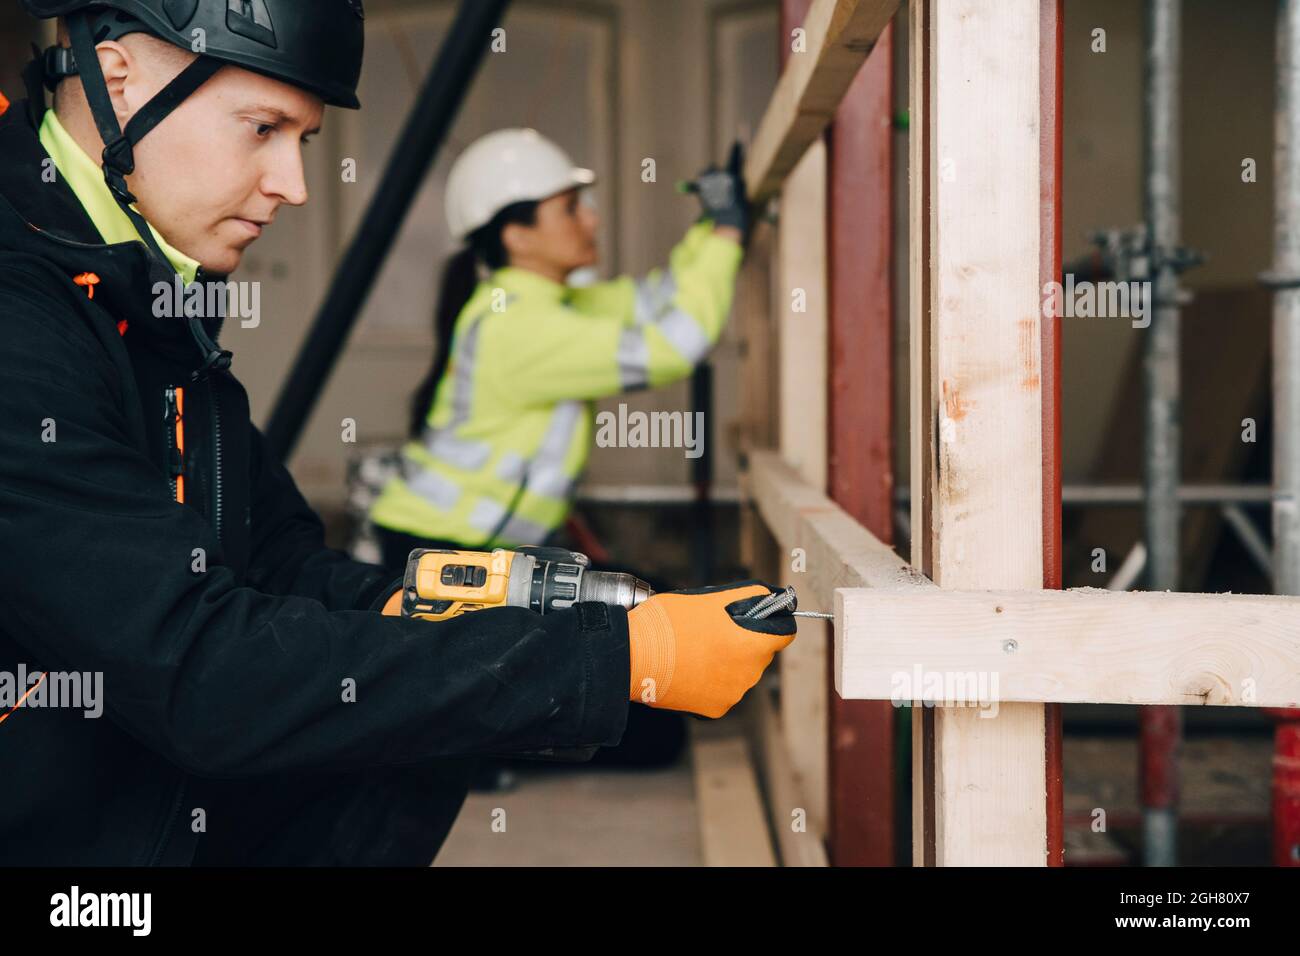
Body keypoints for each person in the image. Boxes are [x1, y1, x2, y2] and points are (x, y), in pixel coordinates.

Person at [0, 0, 795, 866]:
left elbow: (281, 566)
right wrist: (610, 661)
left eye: (300, 140)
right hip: (64, 818)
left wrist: (467, 612)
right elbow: (202, 674)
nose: (294, 186)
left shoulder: (149, 296)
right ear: (119, 78)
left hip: (143, 774)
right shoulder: (24, 321)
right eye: (262, 127)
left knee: (418, 719)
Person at [367, 127, 748, 564]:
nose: (591, 220)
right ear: (517, 236)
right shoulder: (518, 327)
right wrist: (726, 233)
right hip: (442, 548)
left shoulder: (548, 304)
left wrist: (711, 228)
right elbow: (674, 347)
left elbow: (657, 300)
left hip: (471, 544)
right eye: (570, 209)